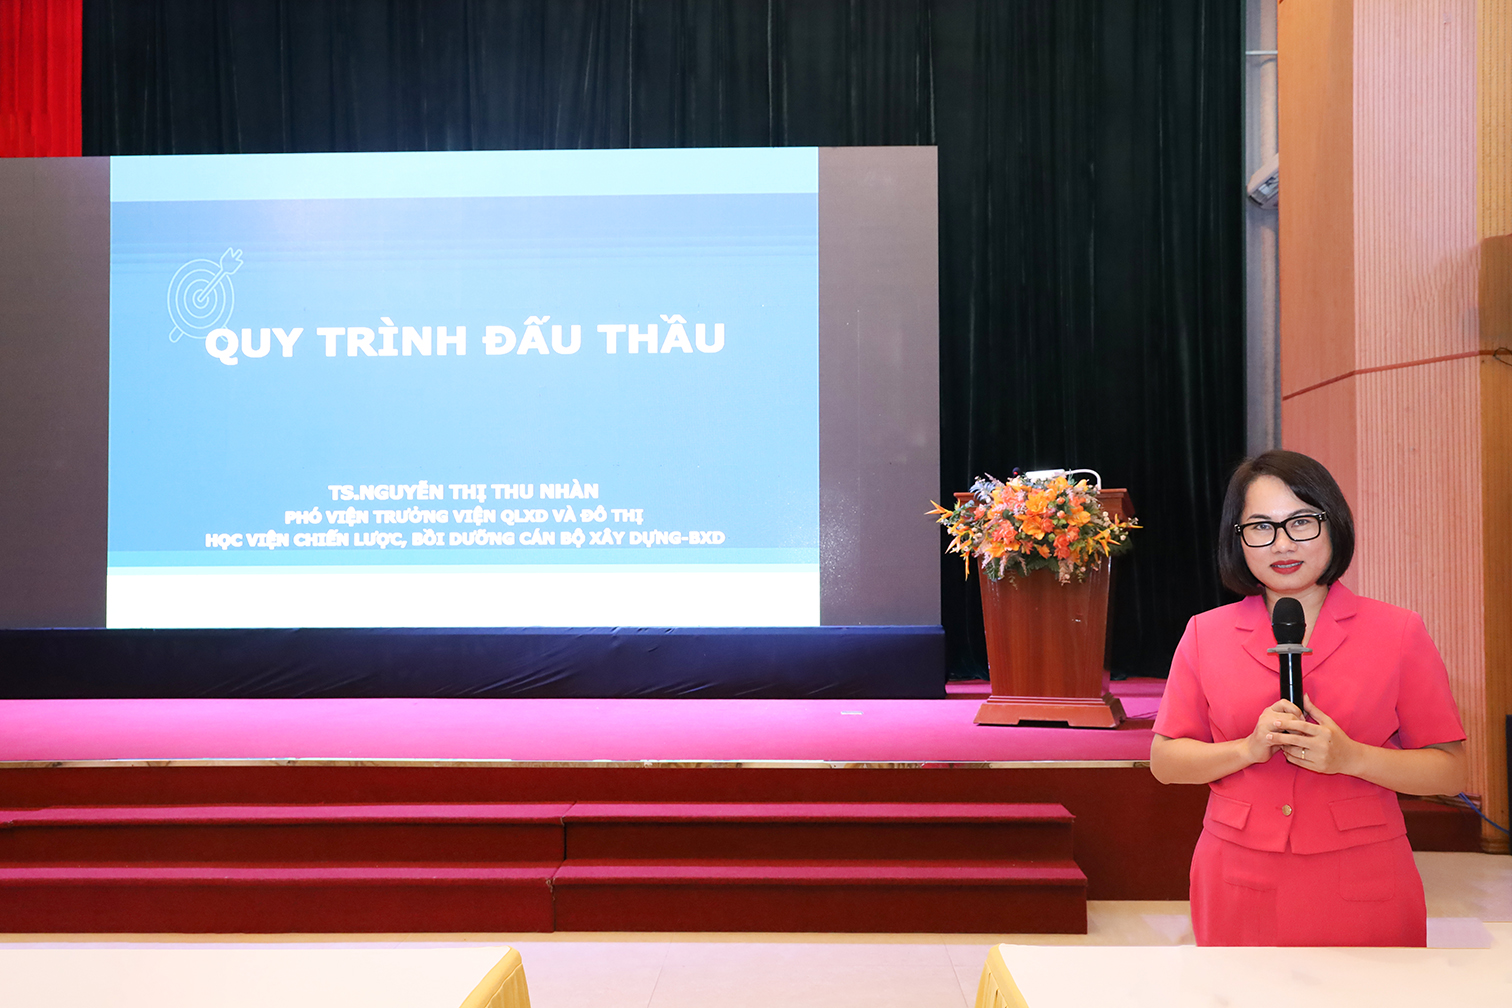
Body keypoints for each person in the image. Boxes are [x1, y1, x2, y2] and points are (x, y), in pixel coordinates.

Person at [1150, 449, 1466, 946]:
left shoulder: (1398, 631)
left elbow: (1449, 770)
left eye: (1300, 522)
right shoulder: (1204, 634)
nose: (1282, 543)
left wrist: (1351, 757)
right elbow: (1165, 762)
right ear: (1238, 538)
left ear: (1333, 524)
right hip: (1237, 877)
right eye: (1261, 527)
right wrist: (1247, 749)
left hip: (1363, 877)